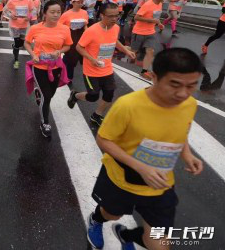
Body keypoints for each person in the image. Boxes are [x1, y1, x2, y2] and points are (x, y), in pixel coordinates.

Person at [86, 48, 204, 250]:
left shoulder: (189, 104)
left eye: (192, 85)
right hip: (121, 180)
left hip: (160, 184)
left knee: (159, 244)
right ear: (155, 77)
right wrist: (140, 167)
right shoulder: (128, 106)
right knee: (112, 214)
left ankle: (127, 236)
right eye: (174, 84)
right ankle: (96, 220)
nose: (183, 93)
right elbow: (104, 140)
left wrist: (187, 154)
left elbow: (181, 132)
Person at [67, 3, 136, 125]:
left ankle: (96, 115)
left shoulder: (115, 28)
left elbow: (114, 40)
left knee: (109, 94)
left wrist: (126, 50)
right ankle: (75, 95)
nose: (114, 19)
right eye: (110, 16)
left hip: (107, 68)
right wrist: (91, 59)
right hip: (91, 70)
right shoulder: (92, 31)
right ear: (102, 15)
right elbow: (79, 47)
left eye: (116, 16)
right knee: (93, 96)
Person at [24, 0, 73, 138]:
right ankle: (44, 123)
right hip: (39, 67)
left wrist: (59, 51)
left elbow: (68, 45)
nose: (56, 15)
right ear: (44, 13)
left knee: (50, 94)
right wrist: (33, 54)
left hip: (56, 67)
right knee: (47, 96)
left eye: (58, 12)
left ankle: (38, 93)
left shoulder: (64, 29)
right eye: (52, 12)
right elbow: (27, 43)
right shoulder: (35, 28)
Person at [131, 0, 167, 80]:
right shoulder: (148, 5)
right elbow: (136, 17)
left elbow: (156, 17)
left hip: (151, 32)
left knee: (150, 51)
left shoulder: (160, 4)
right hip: (138, 32)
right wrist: (151, 20)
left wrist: (159, 24)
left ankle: (144, 71)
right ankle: (119, 47)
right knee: (132, 53)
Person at [3, 0, 34, 69]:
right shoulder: (12, 0)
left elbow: (33, 11)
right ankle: (16, 60)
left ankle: (15, 47)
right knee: (17, 43)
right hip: (14, 25)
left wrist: (29, 17)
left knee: (21, 43)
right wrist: (10, 16)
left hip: (24, 26)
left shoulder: (29, 0)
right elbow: (5, 10)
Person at [58, 0, 88, 81]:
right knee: (71, 57)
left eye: (81, 2)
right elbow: (60, 26)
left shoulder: (84, 12)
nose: (80, 4)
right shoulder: (66, 14)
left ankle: (64, 64)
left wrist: (87, 33)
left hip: (81, 35)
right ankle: (69, 76)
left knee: (81, 55)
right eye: (78, 2)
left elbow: (85, 25)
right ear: (73, 2)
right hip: (70, 36)